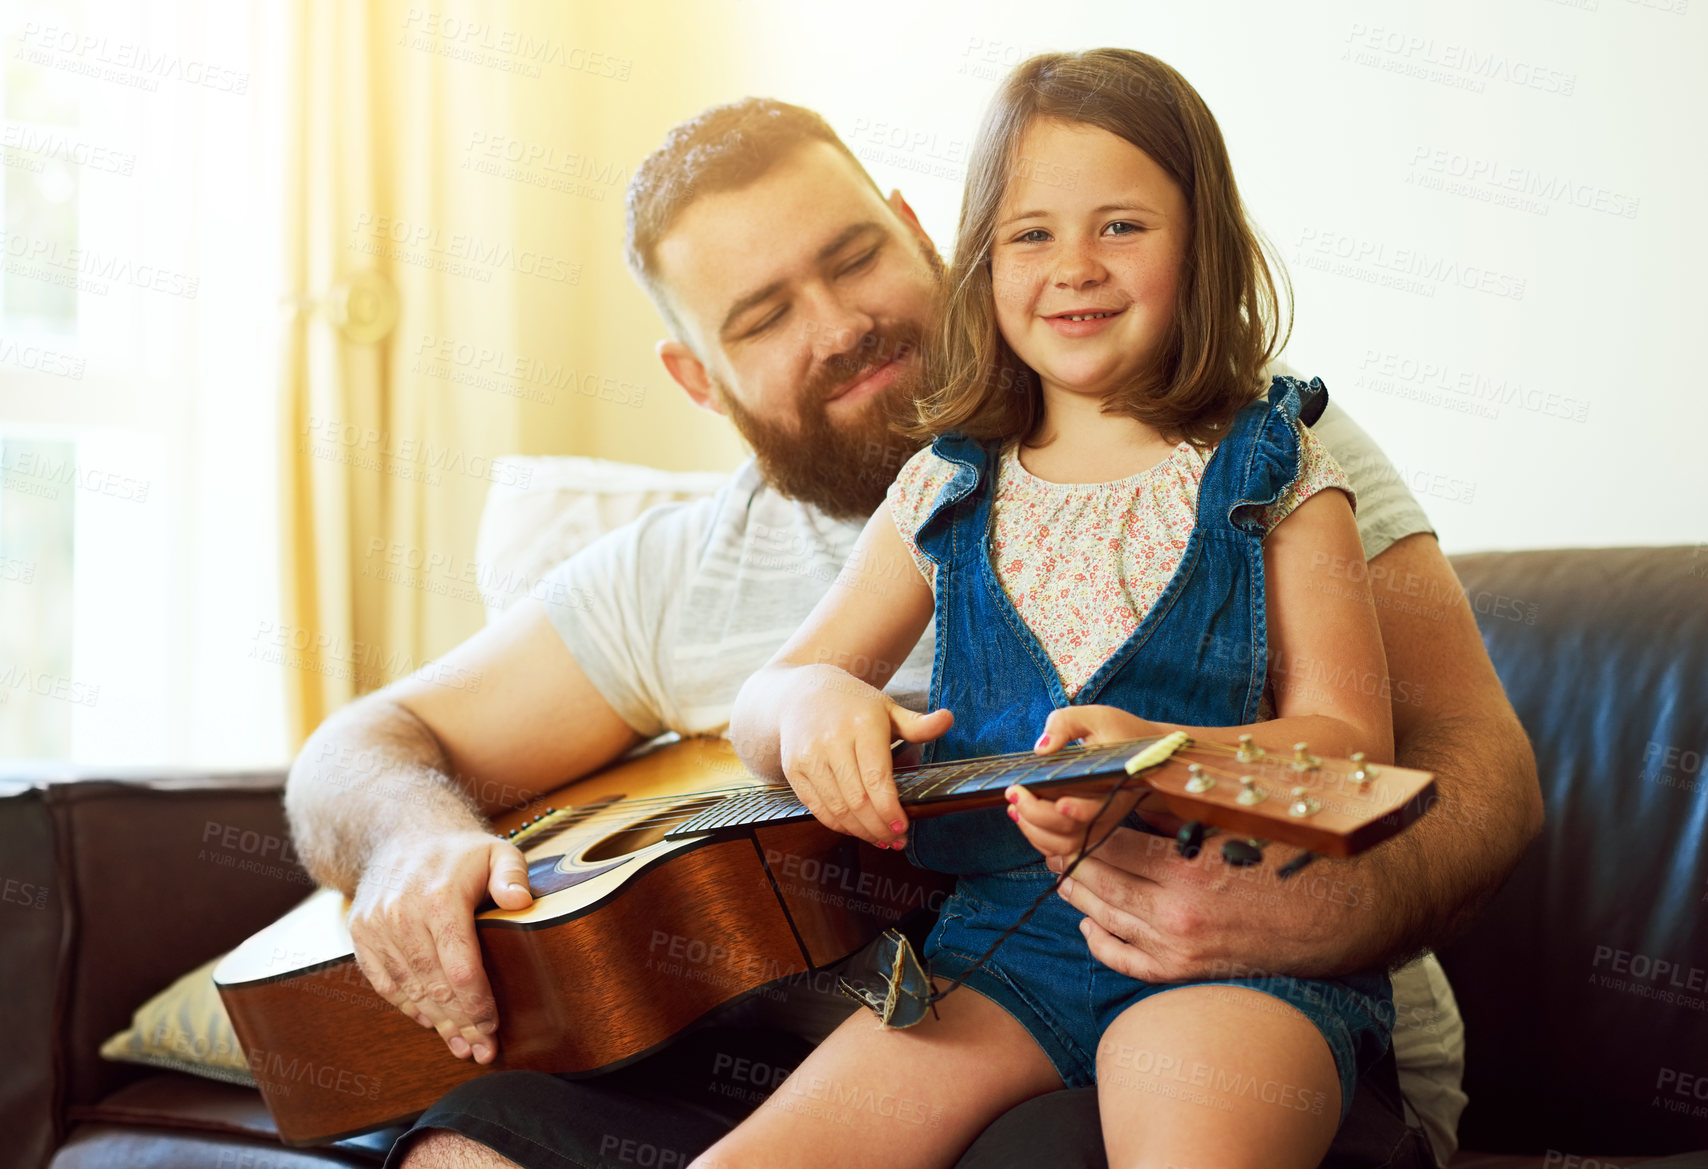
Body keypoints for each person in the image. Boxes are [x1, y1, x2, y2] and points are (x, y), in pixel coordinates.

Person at [281, 87, 1540, 1169]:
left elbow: (1478, 778)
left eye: (851, 257)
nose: (837, 326)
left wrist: (1324, 907)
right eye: (763, 316)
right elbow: (366, 743)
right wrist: (407, 844)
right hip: (971, 991)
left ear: (923, 232)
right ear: (697, 380)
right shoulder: (710, 563)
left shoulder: (1264, 449)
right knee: (470, 1135)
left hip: (1246, 1029)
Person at [713, 47, 1418, 1169]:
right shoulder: (946, 484)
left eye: (1122, 226)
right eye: (1030, 234)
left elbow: (1350, 754)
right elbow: (757, 704)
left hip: (1229, 950)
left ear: (1203, 245)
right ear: (981, 264)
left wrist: (1168, 754)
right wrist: (804, 705)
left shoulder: (1277, 466)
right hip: (997, 954)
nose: (1072, 267)